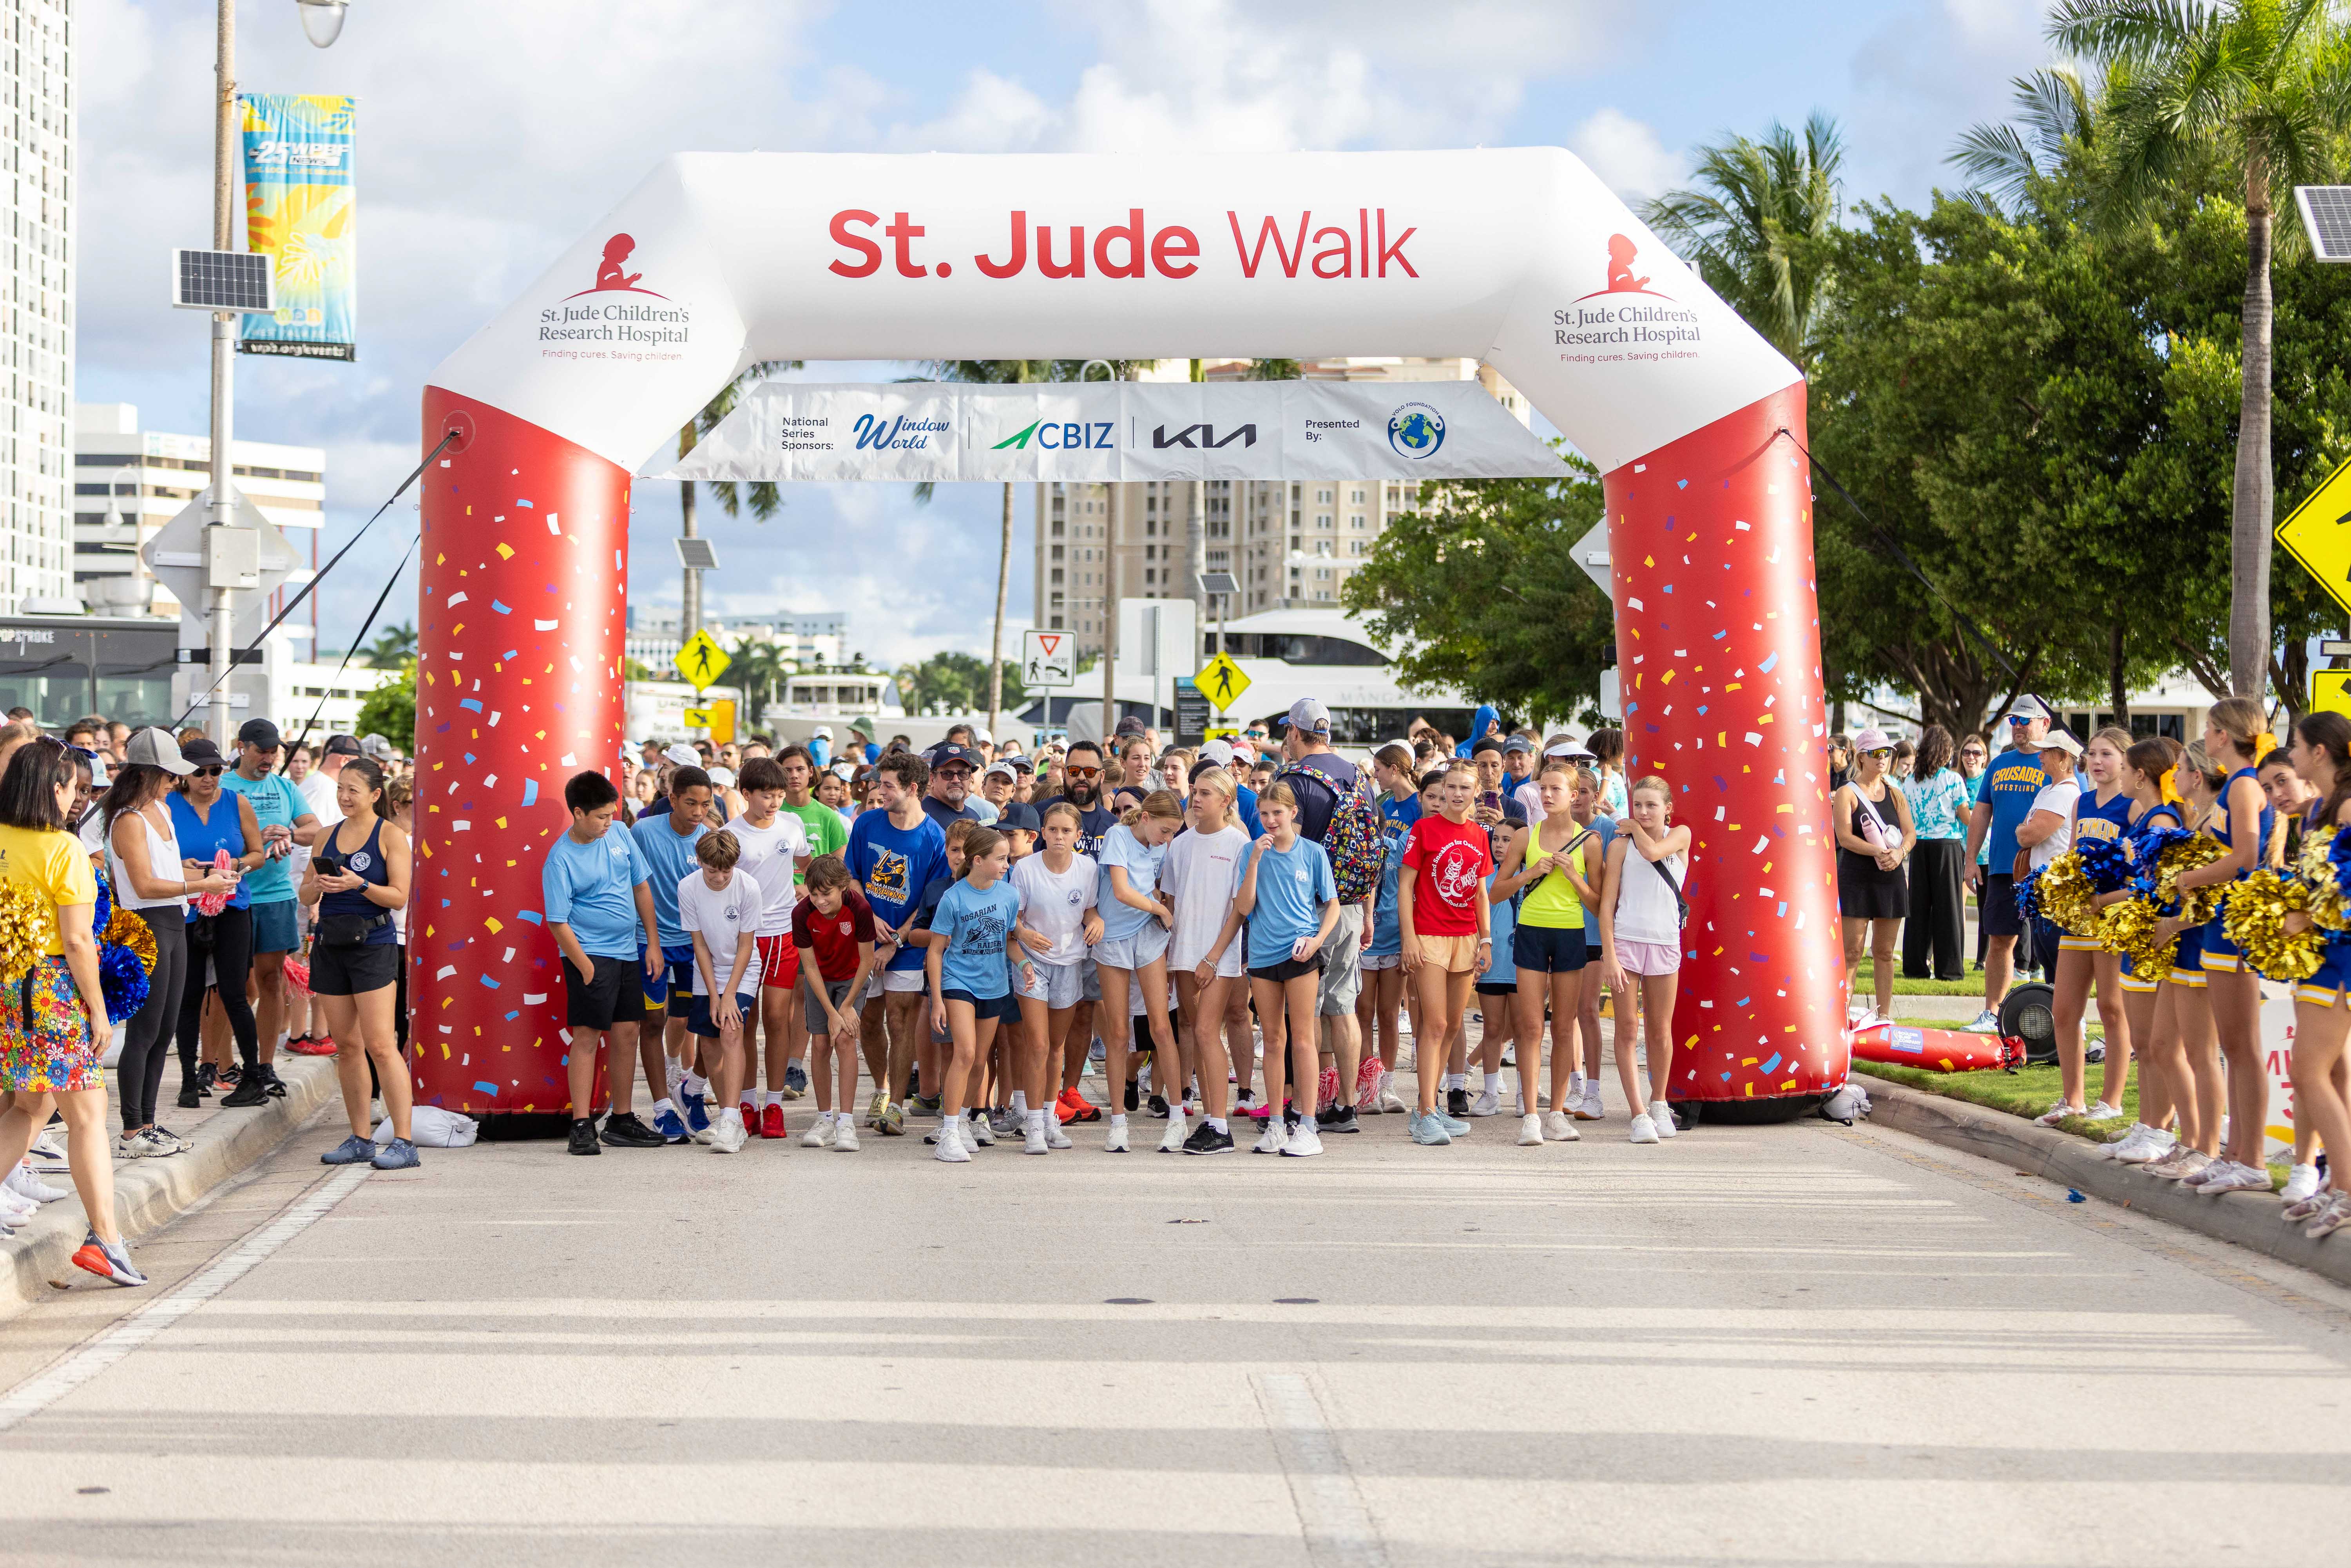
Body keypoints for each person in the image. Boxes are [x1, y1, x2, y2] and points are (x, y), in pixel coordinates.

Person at [0, 739, 149, 1284]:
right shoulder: (62, 848)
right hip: (50, 990)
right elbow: (79, 940)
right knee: (87, 1115)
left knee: (30, 1105)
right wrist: (100, 1011)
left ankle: (106, 1239)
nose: (77, 797)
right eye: (73, 786)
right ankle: (106, 1239)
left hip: (8, 986)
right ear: (54, 788)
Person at [100, 730, 234, 1152]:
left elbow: (167, 871)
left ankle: (148, 1123)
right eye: (170, 774)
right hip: (148, 927)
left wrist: (203, 873)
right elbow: (143, 884)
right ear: (146, 773)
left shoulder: (160, 809)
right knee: (144, 1032)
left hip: (174, 922)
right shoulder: (128, 819)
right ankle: (132, 1129)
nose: (177, 781)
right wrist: (201, 885)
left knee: (164, 1031)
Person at [2170, 697, 2277, 1195]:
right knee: (2232, 1048)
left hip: (2236, 925)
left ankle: (2252, 1160)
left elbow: (2247, 855)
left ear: (2222, 735)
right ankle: (2234, 1155)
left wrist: (2190, 878)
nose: (2206, 735)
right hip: (2220, 925)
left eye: (2211, 727)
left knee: (2242, 1049)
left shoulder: (2243, 784)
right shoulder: (2236, 784)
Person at [299, 757, 418, 1170]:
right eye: (340, 789)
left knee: (381, 1044)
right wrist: (318, 884)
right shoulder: (326, 836)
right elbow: (306, 896)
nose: (345, 797)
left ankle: (404, 1142)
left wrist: (360, 883)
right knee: (347, 1046)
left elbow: (399, 897)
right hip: (331, 943)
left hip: (374, 945)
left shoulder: (390, 836)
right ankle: (361, 1138)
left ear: (375, 794)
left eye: (353, 790)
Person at [543, 769, 663, 1158]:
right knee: (588, 1036)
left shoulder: (621, 833)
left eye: (613, 814)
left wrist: (652, 943)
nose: (610, 822)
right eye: (601, 816)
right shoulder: (560, 858)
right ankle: (581, 1125)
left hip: (628, 951)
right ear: (578, 813)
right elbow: (558, 922)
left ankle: (622, 1119)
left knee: (628, 1032)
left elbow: (641, 886)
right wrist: (586, 966)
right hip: (590, 955)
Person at [1489, 759, 1600, 1145]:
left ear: (1574, 795)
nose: (1548, 795)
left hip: (1570, 934)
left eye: (1556, 789)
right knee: (1531, 1027)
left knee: (1564, 1026)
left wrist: (1573, 876)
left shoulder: (1590, 842)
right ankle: (1532, 1117)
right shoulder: (1526, 836)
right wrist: (1530, 873)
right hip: (1532, 932)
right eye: (1543, 788)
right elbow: (1496, 892)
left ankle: (1556, 1114)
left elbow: (1599, 904)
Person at [2135, 744, 2230, 1187]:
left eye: (2182, 769)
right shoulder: (2196, 818)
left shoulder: (2213, 821)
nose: (2175, 776)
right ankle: (2189, 1139)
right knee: (2162, 1045)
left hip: (2194, 944)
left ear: (2198, 776)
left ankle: (2205, 1147)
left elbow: (2215, 894)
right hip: (2180, 945)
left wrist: (2173, 923)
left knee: (2200, 1054)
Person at [2090, 737, 2186, 1169]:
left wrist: (2103, 900)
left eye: (2126, 769)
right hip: (2137, 937)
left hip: (2155, 940)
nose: (2122, 776)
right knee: (2144, 1043)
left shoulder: (2162, 819)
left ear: (2142, 776)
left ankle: (2162, 1131)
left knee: (2155, 1043)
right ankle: (2148, 1124)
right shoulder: (2146, 816)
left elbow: (2157, 887)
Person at [1277, 699, 1369, 1130]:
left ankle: (1304, 1107)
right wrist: (1367, 912)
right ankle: (1347, 1106)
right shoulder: (1358, 777)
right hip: (1350, 906)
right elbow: (1370, 849)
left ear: (1295, 733)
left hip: (1307, 910)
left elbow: (1286, 851)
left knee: (1307, 1012)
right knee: (1344, 1007)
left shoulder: (1294, 781)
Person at [2276, 711, 2351, 1236]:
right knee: (2332, 1073)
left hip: (2341, 957)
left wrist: (2309, 916)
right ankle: (2335, 1182)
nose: (2293, 754)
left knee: (2306, 1071)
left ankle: (2346, 1188)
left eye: (2298, 746)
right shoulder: (2319, 810)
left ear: (2320, 751)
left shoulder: (2347, 807)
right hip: (2319, 957)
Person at [847, 750, 948, 1137]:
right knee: (870, 1021)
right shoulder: (866, 823)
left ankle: (895, 1109)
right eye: (879, 784)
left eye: (888, 786)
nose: (879, 792)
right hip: (865, 940)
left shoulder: (934, 838)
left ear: (912, 788)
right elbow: (853, 877)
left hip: (908, 947)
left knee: (901, 1021)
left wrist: (897, 940)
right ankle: (882, 1089)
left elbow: (929, 901)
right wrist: (869, 918)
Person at [1235, 781, 1339, 1157]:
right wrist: (1254, 862)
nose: (1270, 820)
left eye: (1277, 813)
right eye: (1264, 814)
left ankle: (1308, 1126)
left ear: (1293, 813)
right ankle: (1277, 1124)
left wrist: (1316, 940)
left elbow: (1332, 904)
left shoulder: (1312, 852)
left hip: (1301, 953)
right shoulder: (1250, 851)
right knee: (1273, 1039)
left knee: (1303, 1037)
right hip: (1263, 955)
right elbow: (1244, 908)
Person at [220, 718, 320, 1088]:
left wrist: (289, 833)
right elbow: (211, 838)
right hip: (232, 896)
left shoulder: (285, 788)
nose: (268, 758)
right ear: (242, 747)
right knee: (233, 986)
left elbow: (315, 828)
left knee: (271, 980)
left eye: (273, 752)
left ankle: (265, 1064)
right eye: (261, 751)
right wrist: (256, 840)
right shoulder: (223, 786)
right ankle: (222, 1063)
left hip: (277, 896)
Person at [2041, 728, 2134, 1126]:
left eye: (2107, 754)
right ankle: (2073, 1099)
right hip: (2080, 918)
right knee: (2064, 1010)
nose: (2097, 761)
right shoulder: (2082, 801)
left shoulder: (2134, 806)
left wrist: (2105, 900)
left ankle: (2111, 1101)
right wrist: (2061, 887)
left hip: (2114, 918)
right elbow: (2073, 856)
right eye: (2093, 754)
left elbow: (2139, 874)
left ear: (2126, 760)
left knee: (2112, 1008)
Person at [923, 825, 1030, 1162]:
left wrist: (1025, 964)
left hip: (995, 985)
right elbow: (935, 951)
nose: (1006, 865)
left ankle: (964, 1121)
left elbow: (1009, 941)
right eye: (1001, 859)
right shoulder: (953, 897)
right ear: (978, 860)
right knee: (965, 1053)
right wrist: (937, 1000)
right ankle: (948, 1133)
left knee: (980, 1060)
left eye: (1008, 859)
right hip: (958, 982)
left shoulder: (1009, 895)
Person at [170, 738, 266, 1106]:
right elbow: (157, 860)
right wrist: (191, 870)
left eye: (215, 770)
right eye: (200, 772)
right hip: (188, 909)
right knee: (189, 996)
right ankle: (189, 1080)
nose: (209, 778)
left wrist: (236, 866)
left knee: (234, 994)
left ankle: (253, 1078)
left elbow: (257, 854)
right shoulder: (168, 806)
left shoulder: (236, 802)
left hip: (232, 907)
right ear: (184, 774)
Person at [1400, 760, 1492, 1145]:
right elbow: (1406, 886)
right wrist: (1409, 938)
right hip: (1429, 936)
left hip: (1466, 938)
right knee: (1434, 1025)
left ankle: (1430, 1108)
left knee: (1453, 1026)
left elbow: (1481, 893)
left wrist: (1486, 940)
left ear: (1476, 792)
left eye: (1464, 788)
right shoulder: (1423, 830)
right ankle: (1424, 1112)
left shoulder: (1479, 835)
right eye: (1451, 787)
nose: (1456, 794)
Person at [1598, 775, 1692, 1144]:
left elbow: (1653, 853)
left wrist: (1633, 826)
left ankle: (1659, 1103)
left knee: (1660, 1029)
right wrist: (1609, 955)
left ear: (1668, 808)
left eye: (1651, 805)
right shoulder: (1620, 847)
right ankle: (1638, 1114)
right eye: (1637, 805)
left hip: (1665, 943)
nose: (1643, 812)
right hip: (1626, 942)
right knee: (1627, 1028)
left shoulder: (1679, 835)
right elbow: (1608, 905)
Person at [1163, 767, 1251, 1155]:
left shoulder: (1238, 844)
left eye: (1205, 794)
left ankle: (1220, 1126)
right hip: (1184, 954)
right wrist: (1170, 959)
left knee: (1205, 1031)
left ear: (1226, 800)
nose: (1196, 799)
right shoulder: (1180, 844)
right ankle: (1210, 1120)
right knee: (1197, 1032)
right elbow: (1171, 903)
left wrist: (1213, 958)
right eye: (1194, 792)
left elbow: (1239, 909)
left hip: (1219, 956)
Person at [1093, 789, 1183, 1153]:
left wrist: (1160, 904)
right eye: (1165, 830)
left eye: (1174, 832)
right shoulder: (1118, 836)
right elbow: (1121, 891)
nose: (1168, 838)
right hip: (1114, 939)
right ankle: (1118, 1124)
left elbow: (1154, 888)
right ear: (1146, 818)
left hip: (1147, 936)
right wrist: (1160, 909)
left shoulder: (1161, 846)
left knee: (1162, 1028)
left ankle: (1177, 1120)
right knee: (1118, 1033)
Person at [1010, 802, 1101, 1149]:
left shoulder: (1088, 868)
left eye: (1066, 831)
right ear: (1042, 833)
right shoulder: (1026, 869)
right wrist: (1024, 934)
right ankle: (1033, 1125)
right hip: (1032, 962)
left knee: (1056, 1046)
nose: (1059, 837)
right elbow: (1013, 920)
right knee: (1038, 1044)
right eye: (1053, 830)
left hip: (1070, 962)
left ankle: (1050, 1118)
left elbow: (1089, 909)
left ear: (1078, 835)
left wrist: (1096, 920)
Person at [630, 765, 713, 1146]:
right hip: (649, 944)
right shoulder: (644, 832)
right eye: (691, 803)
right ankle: (663, 1108)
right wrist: (651, 941)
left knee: (702, 1023)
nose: (698, 812)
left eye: (705, 805)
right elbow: (633, 885)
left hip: (694, 949)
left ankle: (690, 1091)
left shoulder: (710, 839)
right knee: (652, 1021)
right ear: (673, 799)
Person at [1962, 697, 2051, 1032]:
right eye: (2014, 720)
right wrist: (1971, 860)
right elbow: (1981, 813)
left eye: (2025, 721)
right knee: (2000, 941)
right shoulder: (1999, 764)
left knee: (2050, 944)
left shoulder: (2057, 764)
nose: (2017, 726)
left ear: (2045, 724)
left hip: (2044, 871)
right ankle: (1992, 1014)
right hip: (2002, 867)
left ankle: (2064, 1016)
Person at [680, 829, 762, 1155]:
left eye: (726, 871)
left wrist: (728, 995)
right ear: (700, 861)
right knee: (710, 1042)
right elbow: (699, 945)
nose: (719, 878)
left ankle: (730, 1118)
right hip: (708, 970)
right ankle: (729, 1116)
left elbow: (746, 946)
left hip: (743, 969)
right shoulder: (688, 887)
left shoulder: (748, 887)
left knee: (731, 1031)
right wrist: (714, 996)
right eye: (712, 870)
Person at [792, 854, 878, 1152]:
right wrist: (831, 1011)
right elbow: (809, 967)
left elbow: (867, 960)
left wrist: (846, 1006)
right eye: (814, 894)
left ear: (843, 887)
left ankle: (846, 1122)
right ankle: (825, 1119)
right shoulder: (802, 913)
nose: (819, 901)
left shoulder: (860, 908)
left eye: (826, 894)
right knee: (819, 1044)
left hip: (852, 977)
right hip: (820, 979)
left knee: (844, 1039)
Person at [1833, 728, 1915, 1029]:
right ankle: (1840, 1018)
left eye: (1887, 753)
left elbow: (1910, 833)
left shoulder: (1895, 793)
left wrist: (1900, 853)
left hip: (1890, 877)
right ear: (1861, 757)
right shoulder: (1847, 793)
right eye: (1876, 753)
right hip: (1856, 877)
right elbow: (1844, 837)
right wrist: (1879, 851)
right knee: (1852, 952)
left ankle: (1884, 1016)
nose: (1883, 759)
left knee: (1884, 951)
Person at [1902, 724, 1971, 982]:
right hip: (1947, 845)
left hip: (1919, 846)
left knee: (1918, 909)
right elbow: (1965, 817)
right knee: (1949, 909)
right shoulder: (1953, 780)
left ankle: (1915, 967)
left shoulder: (1911, 780)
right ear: (1945, 752)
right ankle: (1949, 969)